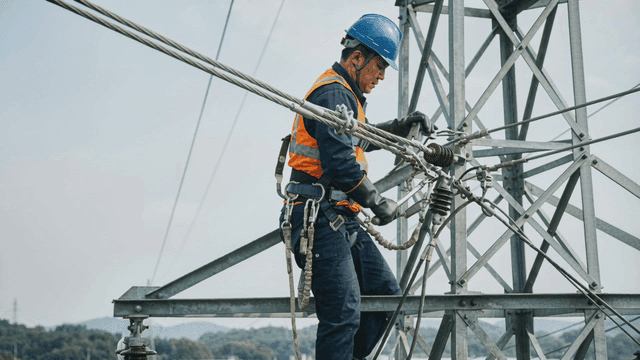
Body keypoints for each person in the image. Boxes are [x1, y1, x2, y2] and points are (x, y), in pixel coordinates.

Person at [279, 14, 436, 360]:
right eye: (379, 67)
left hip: (338, 216)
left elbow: (353, 140)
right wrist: (378, 203)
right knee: (343, 313)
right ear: (357, 58)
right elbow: (340, 163)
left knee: (384, 296)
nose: (381, 76)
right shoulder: (334, 92)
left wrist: (397, 128)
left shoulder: (346, 96)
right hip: (318, 217)